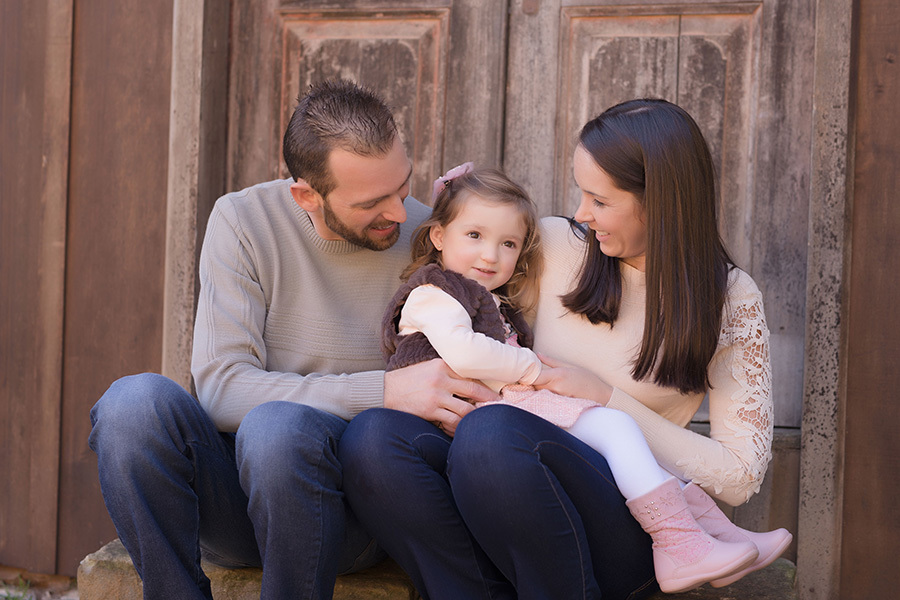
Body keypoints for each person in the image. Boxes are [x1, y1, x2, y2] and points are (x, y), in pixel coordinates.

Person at [341, 98, 790, 599]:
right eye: (582, 193)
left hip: (617, 523)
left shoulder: (730, 299)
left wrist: (606, 399)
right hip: (496, 500)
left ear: (660, 201)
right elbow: (468, 300)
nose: (580, 213)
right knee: (373, 437)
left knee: (494, 436)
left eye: (600, 200)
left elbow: (740, 477)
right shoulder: (553, 244)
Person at [87, 79, 498, 600]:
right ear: (306, 195)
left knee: (278, 429)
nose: (399, 212)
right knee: (131, 405)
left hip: (352, 514)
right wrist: (385, 391)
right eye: (373, 201)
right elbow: (221, 388)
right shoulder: (243, 221)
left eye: (403, 186)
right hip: (238, 501)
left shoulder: (434, 238)